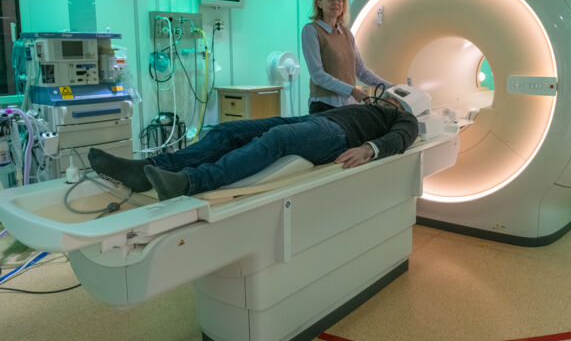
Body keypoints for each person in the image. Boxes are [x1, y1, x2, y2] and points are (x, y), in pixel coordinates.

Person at [88, 94, 418, 201]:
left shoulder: (400, 118)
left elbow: (404, 138)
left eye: (392, 97)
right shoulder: (362, 104)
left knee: (275, 140)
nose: (385, 97)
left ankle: (191, 181)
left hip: (337, 136)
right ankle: (150, 170)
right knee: (229, 129)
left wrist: (370, 149)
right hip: (312, 120)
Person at [302, 0, 392, 114]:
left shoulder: (346, 34)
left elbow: (361, 71)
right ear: (319, 2)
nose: (336, 2)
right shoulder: (311, 31)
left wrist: (390, 87)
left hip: (348, 105)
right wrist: (352, 90)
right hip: (325, 105)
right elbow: (318, 75)